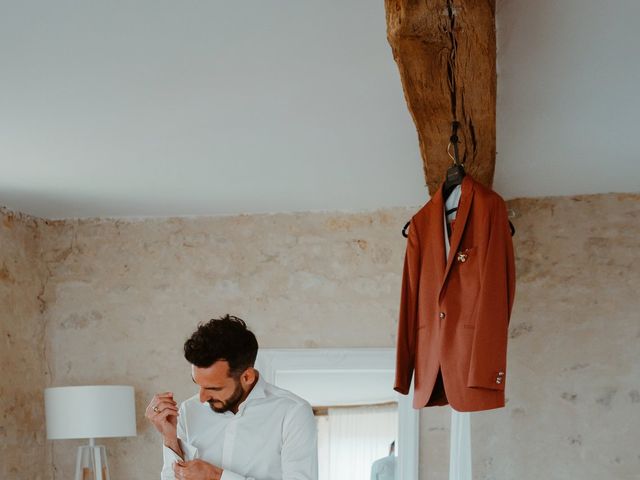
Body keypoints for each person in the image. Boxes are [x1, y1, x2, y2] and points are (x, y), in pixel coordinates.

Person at [145, 315, 318, 480]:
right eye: (198, 384)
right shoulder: (189, 410)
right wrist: (169, 438)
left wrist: (216, 476)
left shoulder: (292, 412)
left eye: (214, 388)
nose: (202, 398)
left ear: (247, 377)